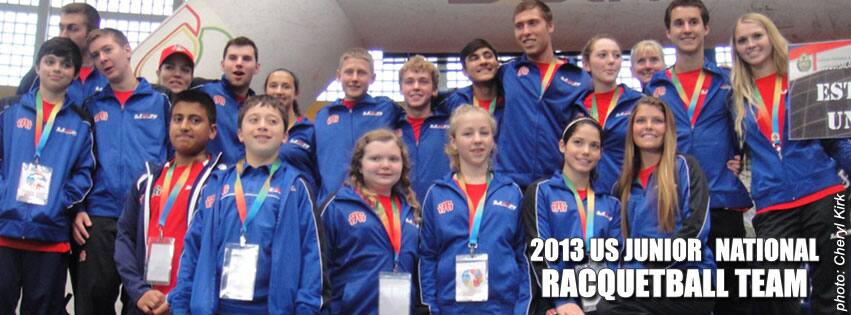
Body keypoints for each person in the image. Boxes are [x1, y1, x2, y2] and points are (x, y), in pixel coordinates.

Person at [730, 13, 851, 315]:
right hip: (773, 203)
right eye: (742, 40)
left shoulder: (804, 79)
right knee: (777, 288)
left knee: (834, 286)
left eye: (757, 36)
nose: (751, 44)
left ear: (771, 37)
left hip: (824, 194)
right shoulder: (735, 97)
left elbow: (837, 140)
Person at [169, 95, 323, 314]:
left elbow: (312, 255)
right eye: (253, 120)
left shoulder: (297, 187)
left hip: (272, 308)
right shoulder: (215, 184)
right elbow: (192, 249)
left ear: (285, 136)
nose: (262, 126)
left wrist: (306, 309)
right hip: (216, 307)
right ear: (240, 134)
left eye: (272, 121)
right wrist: (181, 305)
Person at [645, 2, 751, 312]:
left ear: (706, 28)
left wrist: (740, 159)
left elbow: (749, 129)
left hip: (722, 203)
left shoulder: (729, 80)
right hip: (676, 207)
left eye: (693, 22)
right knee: (683, 298)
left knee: (736, 297)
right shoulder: (655, 86)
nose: (687, 29)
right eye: (679, 23)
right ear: (669, 32)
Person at [73, 28, 171, 315]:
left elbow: (174, 155)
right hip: (100, 216)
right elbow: (78, 161)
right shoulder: (91, 105)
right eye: (96, 55)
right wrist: (78, 207)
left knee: (145, 304)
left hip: (148, 217)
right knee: (92, 300)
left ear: (127, 50)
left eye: (108, 50)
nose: (103, 59)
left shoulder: (161, 101)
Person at [0, 37, 94, 314]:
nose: (56, 69)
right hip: (4, 230)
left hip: (50, 236)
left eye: (65, 65)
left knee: (41, 308)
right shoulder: (9, 108)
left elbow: (85, 172)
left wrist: (58, 201)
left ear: (75, 74)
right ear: (37, 66)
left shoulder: (81, 122)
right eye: (50, 62)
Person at [598, 96, 713, 314]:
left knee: (611, 308)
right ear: (631, 128)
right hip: (638, 283)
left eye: (657, 121)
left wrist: (653, 270)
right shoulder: (620, 187)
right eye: (641, 120)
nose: (648, 126)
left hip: (688, 277)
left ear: (668, 128)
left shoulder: (685, 167)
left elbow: (696, 229)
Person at [114, 90, 223, 315]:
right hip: (145, 300)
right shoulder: (147, 179)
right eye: (178, 119)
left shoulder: (222, 182)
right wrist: (138, 290)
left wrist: (179, 296)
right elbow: (124, 236)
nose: (184, 126)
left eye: (195, 120)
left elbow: (219, 249)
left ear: (212, 131)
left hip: (191, 302)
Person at [419, 105, 530, 314]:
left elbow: (521, 255)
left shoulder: (511, 192)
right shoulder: (437, 194)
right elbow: (428, 257)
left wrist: (521, 307)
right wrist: (431, 307)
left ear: (493, 140)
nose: (477, 140)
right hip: (451, 307)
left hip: (502, 307)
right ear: (453, 141)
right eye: (468, 134)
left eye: (484, 133)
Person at [523, 117, 622, 315]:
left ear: (601, 153)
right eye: (578, 142)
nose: (586, 151)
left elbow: (615, 260)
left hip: (600, 301)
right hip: (555, 300)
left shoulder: (611, 203)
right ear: (562, 145)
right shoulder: (541, 192)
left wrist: (607, 303)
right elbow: (540, 251)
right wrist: (562, 299)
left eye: (594, 146)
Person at [319, 129, 421, 315]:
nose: (385, 165)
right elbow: (318, 268)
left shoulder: (411, 210)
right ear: (359, 165)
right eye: (375, 159)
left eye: (393, 159)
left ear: (403, 165)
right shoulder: (338, 206)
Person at [497, 0, 591, 189]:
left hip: (557, 183)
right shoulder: (506, 73)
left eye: (533, 23)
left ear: (550, 26)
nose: (525, 32)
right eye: (519, 26)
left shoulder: (579, 79)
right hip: (509, 182)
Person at [309, 48, 402, 199]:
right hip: (330, 205)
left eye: (361, 73)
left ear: (372, 78)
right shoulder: (323, 115)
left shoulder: (386, 109)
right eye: (349, 72)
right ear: (339, 76)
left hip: (373, 205)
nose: (354, 78)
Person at [576, 35, 643, 194]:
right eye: (602, 55)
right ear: (586, 64)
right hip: (587, 197)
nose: (611, 60)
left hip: (629, 195)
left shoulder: (638, 103)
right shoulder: (576, 106)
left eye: (616, 55)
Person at [17, 3, 108, 105]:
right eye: (61, 28)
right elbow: (18, 111)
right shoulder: (40, 73)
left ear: (92, 33)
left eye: (72, 29)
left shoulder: (108, 72)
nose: (63, 35)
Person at [395, 55, 451, 203]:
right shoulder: (390, 127)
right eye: (409, 82)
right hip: (401, 212)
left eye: (423, 81)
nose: (416, 87)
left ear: (434, 90)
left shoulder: (451, 126)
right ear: (401, 88)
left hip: (442, 208)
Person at [196, 36, 261, 164]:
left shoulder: (260, 108)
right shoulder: (203, 93)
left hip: (244, 181)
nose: (239, 63)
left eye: (246, 59)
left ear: (257, 68)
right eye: (232, 58)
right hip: (209, 179)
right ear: (222, 64)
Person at [265, 68, 319, 191]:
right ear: (266, 91)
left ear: (296, 93)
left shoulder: (310, 131)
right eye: (273, 86)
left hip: (301, 203)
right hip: (266, 201)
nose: (279, 91)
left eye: (286, 87)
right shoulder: (258, 130)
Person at [442, 38, 504, 124]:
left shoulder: (511, 99)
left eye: (488, 56)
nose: (483, 61)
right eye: (474, 58)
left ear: (498, 65)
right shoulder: (455, 102)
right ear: (464, 71)